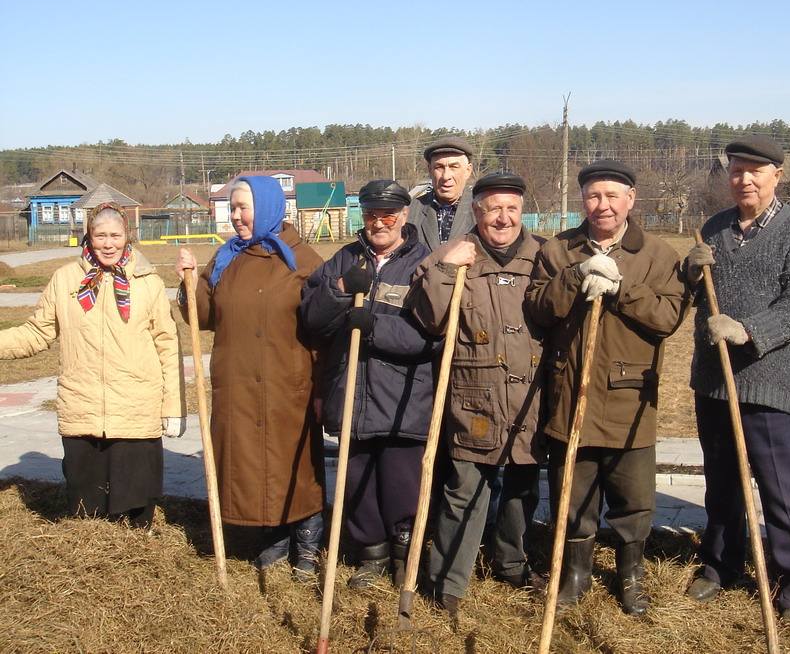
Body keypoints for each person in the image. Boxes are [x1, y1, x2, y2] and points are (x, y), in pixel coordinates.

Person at [526, 159, 688, 615]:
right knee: (571, 494)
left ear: (631, 200)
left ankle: (629, 576)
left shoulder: (657, 254)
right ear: (583, 201)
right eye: (594, 196)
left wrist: (621, 290)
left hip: (629, 397)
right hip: (569, 394)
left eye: (613, 196)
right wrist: (574, 277)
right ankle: (575, 575)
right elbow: (539, 309)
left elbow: (668, 319)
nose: (603, 205)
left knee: (633, 498)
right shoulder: (558, 251)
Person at [683, 134, 790, 622]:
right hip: (715, 383)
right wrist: (688, 272)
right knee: (722, 484)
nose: (744, 179)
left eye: (755, 171)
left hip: (773, 383)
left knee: (784, 490)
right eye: (737, 170)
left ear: (776, 175)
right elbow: (691, 299)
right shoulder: (714, 229)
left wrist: (748, 330)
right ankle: (720, 565)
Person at [409, 172, 547, 616]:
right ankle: (447, 580)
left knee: (523, 486)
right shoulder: (449, 255)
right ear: (476, 212)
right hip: (474, 396)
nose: (503, 219)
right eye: (493, 209)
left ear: (522, 211)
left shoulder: (545, 256)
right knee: (465, 487)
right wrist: (448, 268)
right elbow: (429, 317)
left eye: (511, 209)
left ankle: (511, 561)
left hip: (531, 394)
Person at [174, 175, 325, 580]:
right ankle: (270, 534)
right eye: (233, 208)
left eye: (244, 207)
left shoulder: (303, 259)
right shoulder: (226, 258)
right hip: (238, 381)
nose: (236, 216)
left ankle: (308, 542)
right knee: (251, 460)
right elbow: (202, 317)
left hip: (287, 382)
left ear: (271, 207)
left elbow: (324, 326)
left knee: (295, 463)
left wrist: (324, 384)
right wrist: (189, 284)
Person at [0, 203, 185, 529]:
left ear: (128, 235)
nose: (108, 243)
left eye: (116, 235)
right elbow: (36, 332)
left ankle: (136, 572)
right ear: (90, 235)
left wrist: (173, 405)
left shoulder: (147, 281)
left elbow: (167, 345)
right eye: (100, 235)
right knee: (87, 514)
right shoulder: (65, 280)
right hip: (81, 410)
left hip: (135, 411)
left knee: (135, 511)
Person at [299, 179, 440, 588]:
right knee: (357, 485)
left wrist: (373, 325)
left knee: (401, 487)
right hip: (352, 395)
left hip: (403, 402)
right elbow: (311, 319)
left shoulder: (423, 264)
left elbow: (432, 336)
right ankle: (370, 557)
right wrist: (341, 292)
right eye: (372, 214)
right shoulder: (344, 260)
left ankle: (404, 559)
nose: (379, 223)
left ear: (404, 215)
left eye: (388, 215)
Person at [408, 136, 476, 250]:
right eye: (439, 167)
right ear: (430, 170)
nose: (446, 176)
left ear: (468, 171)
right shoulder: (410, 212)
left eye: (454, 167)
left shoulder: (482, 210)